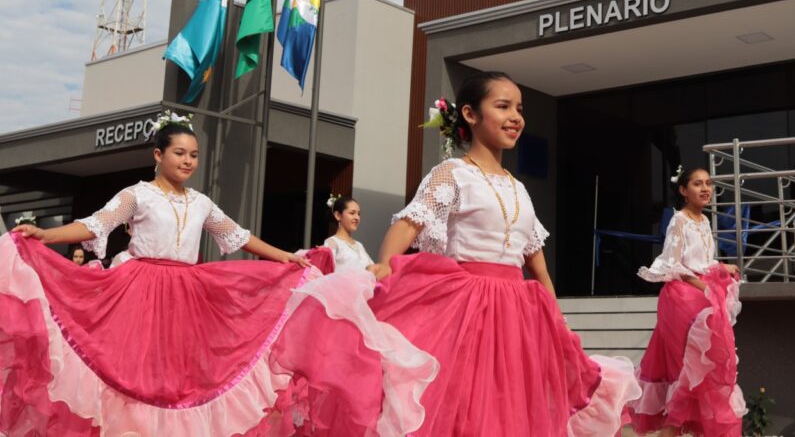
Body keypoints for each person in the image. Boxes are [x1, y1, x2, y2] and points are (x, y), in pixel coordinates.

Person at [0, 111, 436, 436]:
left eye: (193, 155)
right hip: (139, 287)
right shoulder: (138, 195)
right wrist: (47, 233)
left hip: (187, 291)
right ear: (158, 155)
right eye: (179, 153)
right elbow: (96, 224)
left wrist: (284, 257)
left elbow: (239, 235)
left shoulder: (201, 202)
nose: (188, 161)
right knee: (133, 366)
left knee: (181, 370)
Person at [366, 71, 640, 436]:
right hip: (467, 310)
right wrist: (384, 264)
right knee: (465, 406)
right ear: (470, 114)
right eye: (503, 106)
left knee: (511, 407)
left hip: (518, 316)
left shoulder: (519, 189)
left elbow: (539, 270)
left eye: (520, 109)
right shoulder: (452, 173)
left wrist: (557, 323)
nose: (516, 117)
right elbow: (407, 224)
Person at [628, 166, 746, 437]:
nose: (705, 189)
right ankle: (672, 430)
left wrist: (721, 266)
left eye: (708, 183)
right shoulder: (678, 220)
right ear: (683, 190)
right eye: (697, 184)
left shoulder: (703, 221)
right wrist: (702, 285)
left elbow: (700, 260)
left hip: (701, 297)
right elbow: (673, 264)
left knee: (704, 368)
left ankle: (681, 429)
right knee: (688, 368)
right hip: (681, 298)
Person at [324, 195, 374, 272]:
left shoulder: (359, 245)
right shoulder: (332, 243)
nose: (357, 217)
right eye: (352, 213)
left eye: (359, 214)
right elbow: (327, 272)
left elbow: (372, 268)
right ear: (338, 215)